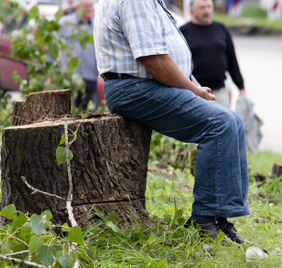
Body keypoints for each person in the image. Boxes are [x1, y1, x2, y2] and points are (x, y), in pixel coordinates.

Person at [94, 0, 250, 244]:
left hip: (145, 84)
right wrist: (193, 91)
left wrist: (194, 86)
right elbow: (154, 60)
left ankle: (220, 216)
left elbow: (168, 58)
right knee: (221, 123)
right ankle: (205, 220)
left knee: (233, 121)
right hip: (134, 87)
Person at [180, 0, 245, 108]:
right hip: (194, 93)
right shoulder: (183, 32)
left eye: (209, 7)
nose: (207, 11)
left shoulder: (221, 29)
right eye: (202, 8)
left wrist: (241, 87)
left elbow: (232, 60)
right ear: (192, 11)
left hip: (220, 92)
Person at [59, 0, 99, 109]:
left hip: (90, 77)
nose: (90, 9)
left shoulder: (96, 25)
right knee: (66, 111)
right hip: (69, 77)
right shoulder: (65, 23)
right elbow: (54, 47)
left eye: (91, 6)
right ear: (78, 8)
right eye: (87, 6)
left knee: (86, 114)